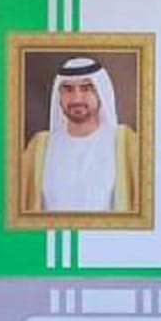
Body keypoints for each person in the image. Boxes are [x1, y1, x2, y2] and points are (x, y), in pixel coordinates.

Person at [19, 56, 139, 213]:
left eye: (86, 88)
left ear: (101, 93)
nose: (76, 98)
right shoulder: (39, 146)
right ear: (59, 97)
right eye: (68, 89)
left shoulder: (126, 143)